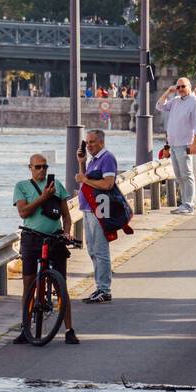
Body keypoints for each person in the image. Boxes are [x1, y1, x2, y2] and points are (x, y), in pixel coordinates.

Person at [12, 154, 79, 345]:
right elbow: (23, 212)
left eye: (45, 167)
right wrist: (43, 197)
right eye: (38, 167)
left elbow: (66, 216)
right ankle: (26, 328)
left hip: (54, 238)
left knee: (61, 285)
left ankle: (69, 330)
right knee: (28, 283)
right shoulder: (21, 187)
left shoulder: (56, 185)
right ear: (30, 168)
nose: (42, 170)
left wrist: (66, 232)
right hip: (31, 238)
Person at [75, 129, 117, 303]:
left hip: (99, 209)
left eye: (92, 142)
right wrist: (81, 162)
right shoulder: (93, 160)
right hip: (88, 208)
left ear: (101, 142)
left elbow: (108, 184)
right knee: (92, 250)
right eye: (87, 142)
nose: (89, 145)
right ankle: (99, 286)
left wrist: (84, 180)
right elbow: (85, 178)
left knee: (100, 250)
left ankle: (105, 290)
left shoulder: (107, 158)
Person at [156, 77, 196, 214]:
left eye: (183, 86)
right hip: (174, 144)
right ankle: (184, 203)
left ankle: (188, 204)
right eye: (178, 87)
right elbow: (159, 106)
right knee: (179, 175)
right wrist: (168, 92)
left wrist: (194, 143)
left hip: (186, 143)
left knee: (187, 174)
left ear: (190, 86)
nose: (181, 89)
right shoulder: (176, 101)